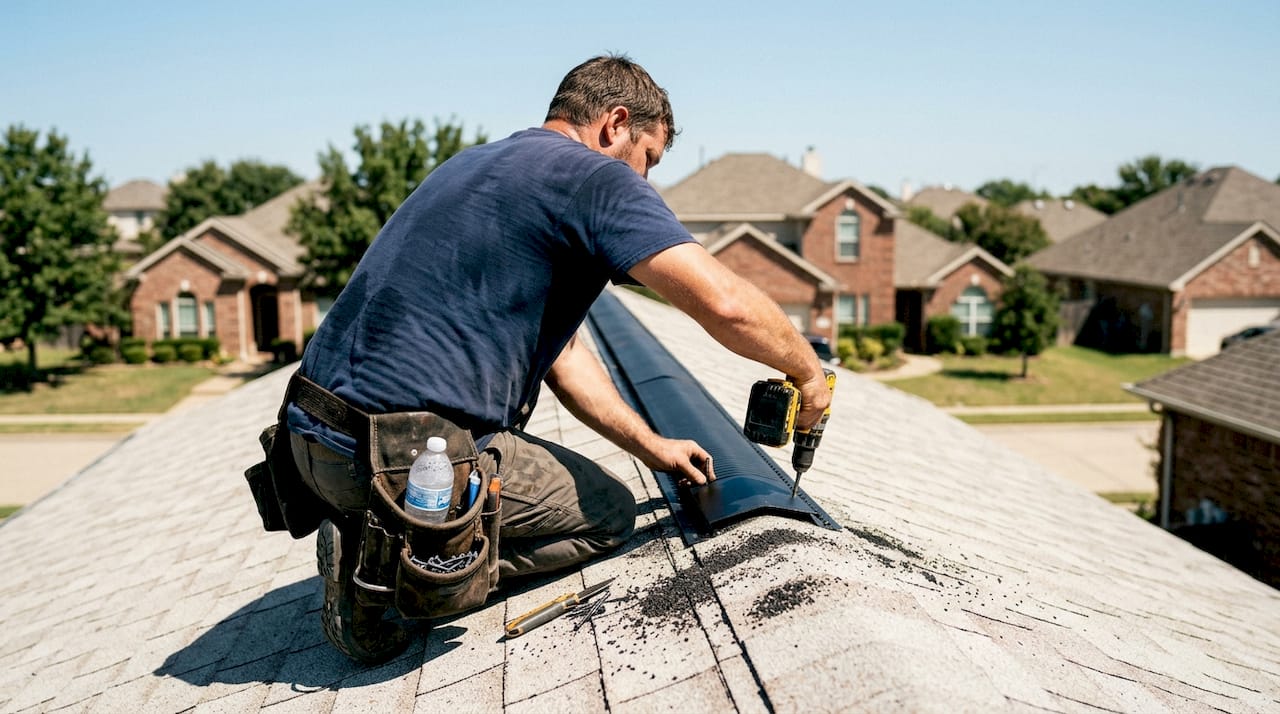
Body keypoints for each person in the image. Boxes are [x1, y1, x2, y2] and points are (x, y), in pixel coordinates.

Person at [286, 54, 831, 663]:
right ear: (615, 125)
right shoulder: (594, 178)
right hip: (402, 462)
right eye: (648, 160)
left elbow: (564, 358)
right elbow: (726, 305)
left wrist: (653, 447)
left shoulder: (474, 165)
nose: (644, 183)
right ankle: (385, 576)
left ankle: (375, 536)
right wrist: (809, 373)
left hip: (308, 443)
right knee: (607, 514)